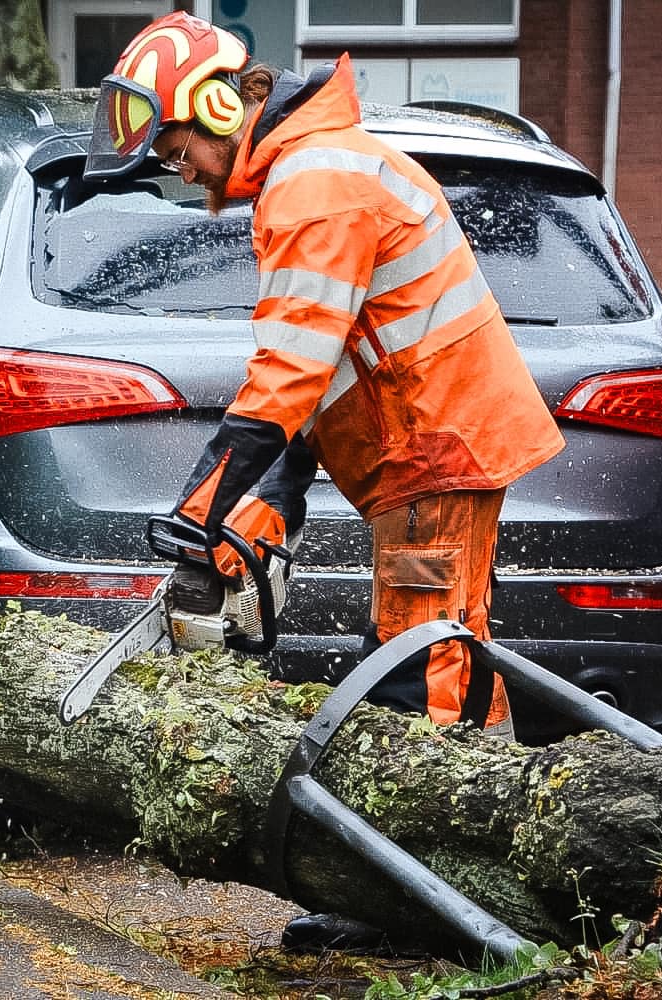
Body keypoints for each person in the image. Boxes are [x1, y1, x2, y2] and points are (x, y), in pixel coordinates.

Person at [86, 12, 564, 738]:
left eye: (179, 152)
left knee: (416, 671)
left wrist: (198, 511)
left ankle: (427, 828)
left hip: (433, 447)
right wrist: (274, 493)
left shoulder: (314, 186)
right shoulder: (311, 170)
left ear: (220, 105)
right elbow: (335, 355)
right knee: (449, 645)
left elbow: (292, 369)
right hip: (433, 441)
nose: (183, 173)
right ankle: (482, 815)